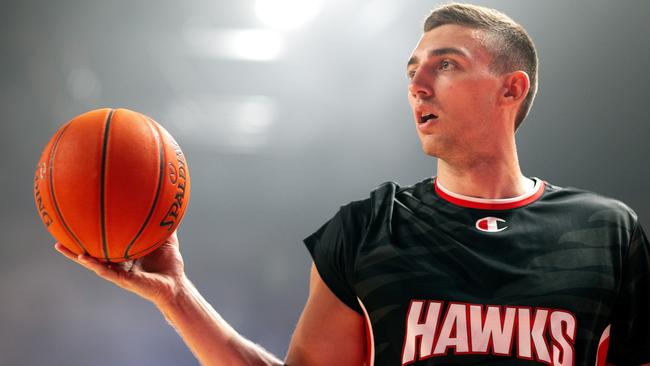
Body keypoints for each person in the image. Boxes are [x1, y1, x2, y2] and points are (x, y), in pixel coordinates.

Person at [54, 3, 650, 366]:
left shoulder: (606, 231)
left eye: (445, 64)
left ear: (511, 89)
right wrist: (176, 296)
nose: (418, 84)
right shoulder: (368, 228)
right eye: (412, 70)